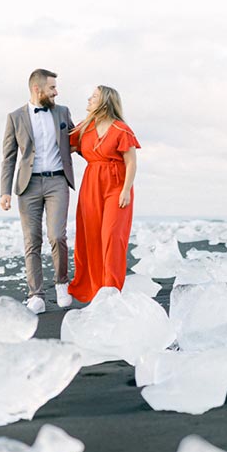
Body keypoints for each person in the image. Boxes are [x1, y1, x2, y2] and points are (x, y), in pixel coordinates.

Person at [0, 69, 76, 314]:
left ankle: (62, 284)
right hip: (28, 185)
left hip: (57, 182)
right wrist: (5, 191)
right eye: (52, 87)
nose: (56, 92)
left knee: (57, 236)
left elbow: (77, 141)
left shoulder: (63, 112)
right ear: (37, 89)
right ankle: (36, 295)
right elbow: (9, 157)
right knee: (32, 240)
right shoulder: (15, 117)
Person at [68, 85, 140, 303]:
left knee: (111, 237)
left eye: (95, 97)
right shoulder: (84, 128)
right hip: (91, 185)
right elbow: (65, 147)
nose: (89, 99)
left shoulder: (121, 129)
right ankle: (94, 289)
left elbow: (131, 162)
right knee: (90, 236)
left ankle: (111, 290)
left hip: (117, 186)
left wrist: (126, 190)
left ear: (106, 101)